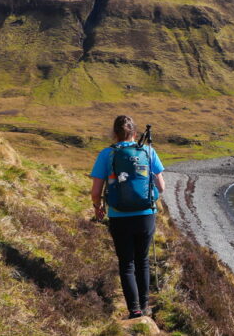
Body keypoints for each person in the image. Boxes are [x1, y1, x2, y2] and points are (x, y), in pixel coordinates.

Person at [90, 115, 165, 319]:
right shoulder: (148, 151)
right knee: (143, 260)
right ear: (135, 133)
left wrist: (98, 207)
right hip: (146, 215)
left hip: (119, 216)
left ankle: (134, 310)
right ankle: (145, 305)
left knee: (127, 263)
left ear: (114, 134)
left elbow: (96, 191)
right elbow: (162, 186)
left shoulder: (107, 154)